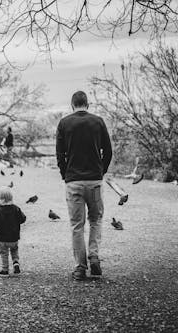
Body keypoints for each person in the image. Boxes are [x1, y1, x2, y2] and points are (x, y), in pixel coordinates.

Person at [56, 91, 112, 280]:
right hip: (94, 181)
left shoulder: (64, 123)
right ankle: (94, 257)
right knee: (96, 220)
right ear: (87, 104)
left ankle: (80, 267)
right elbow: (108, 151)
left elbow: (59, 154)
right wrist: (100, 172)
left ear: (72, 105)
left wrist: (66, 175)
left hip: (74, 182)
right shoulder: (98, 121)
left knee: (76, 225)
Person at [0, 187, 27, 277]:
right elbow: (23, 219)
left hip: (2, 239)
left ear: (2, 200)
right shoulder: (16, 209)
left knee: (4, 253)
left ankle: (5, 270)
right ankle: (16, 263)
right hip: (14, 237)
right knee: (14, 250)